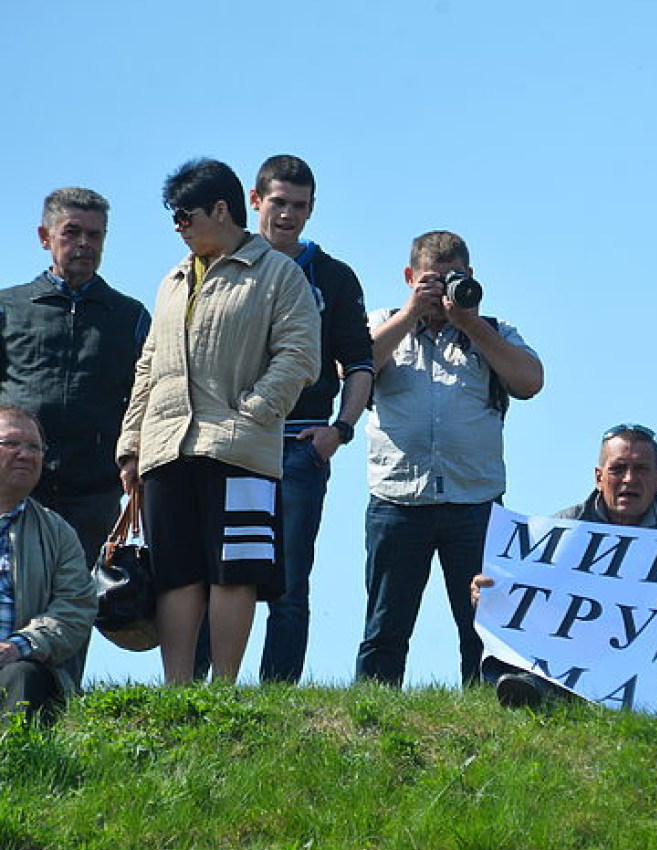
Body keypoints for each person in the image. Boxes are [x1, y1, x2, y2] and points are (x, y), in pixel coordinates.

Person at [117, 159, 320, 685]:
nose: (178, 227)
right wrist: (132, 444)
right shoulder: (172, 279)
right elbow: (148, 364)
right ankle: (179, 689)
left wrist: (252, 411)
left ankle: (224, 688)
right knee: (176, 573)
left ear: (222, 209)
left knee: (236, 570)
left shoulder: (278, 272)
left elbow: (300, 355)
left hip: (240, 448)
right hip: (166, 447)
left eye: (184, 215)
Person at [358, 231, 543, 688]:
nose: (442, 291)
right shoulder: (384, 323)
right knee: (385, 626)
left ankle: (486, 713)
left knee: (482, 626)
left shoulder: (493, 331)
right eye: (431, 281)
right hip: (397, 500)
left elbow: (530, 380)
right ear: (409, 278)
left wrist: (471, 324)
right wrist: (410, 313)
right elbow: (352, 367)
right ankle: (371, 714)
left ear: (471, 277)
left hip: (475, 502)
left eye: (452, 279)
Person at [228, 155, 373, 684]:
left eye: (300, 206)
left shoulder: (332, 276)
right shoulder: (226, 263)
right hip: (231, 440)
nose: (288, 215)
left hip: (300, 441)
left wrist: (340, 431)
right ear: (255, 200)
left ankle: (278, 692)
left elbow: (360, 361)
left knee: (290, 581)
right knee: (220, 570)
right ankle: (198, 688)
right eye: (279, 203)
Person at [0, 187, 149, 687]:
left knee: (77, 600)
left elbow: (146, 395)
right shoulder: (10, 308)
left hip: (94, 487)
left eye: (95, 235)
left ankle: (59, 701)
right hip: (16, 483)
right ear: (45, 237)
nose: (84, 243)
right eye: (73, 232)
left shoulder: (128, 317)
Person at [480, 423, 657, 708]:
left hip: (647, 659)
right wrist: (490, 592)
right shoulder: (560, 530)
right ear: (598, 477)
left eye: (641, 469)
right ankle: (528, 687)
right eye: (618, 469)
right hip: (574, 652)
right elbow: (518, 589)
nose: (629, 479)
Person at [0, 405, 97, 719]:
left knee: (24, 677)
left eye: (35, 447)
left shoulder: (57, 533)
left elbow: (75, 608)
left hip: (16, 670)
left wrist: (20, 646)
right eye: (12, 444)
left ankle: (15, 764)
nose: (26, 455)